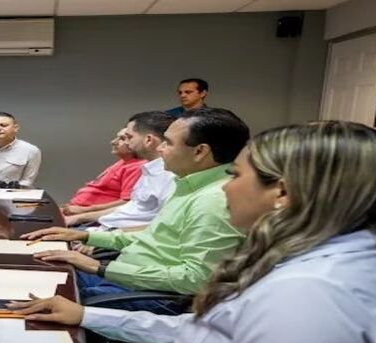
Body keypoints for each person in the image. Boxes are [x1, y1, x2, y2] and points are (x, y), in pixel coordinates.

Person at [0, 121, 376, 343]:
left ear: (282, 192)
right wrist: (87, 316)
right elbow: (207, 332)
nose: (226, 187)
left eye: (236, 175)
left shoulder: (314, 296)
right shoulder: (310, 261)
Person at [22, 108, 247, 313]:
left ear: (200, 151)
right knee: (39, 269)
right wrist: (85, 236)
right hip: (127, 278)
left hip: (151, 295)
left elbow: (196, 279)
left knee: (37, 292)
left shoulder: (213, 200)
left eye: (168, 143)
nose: (160, 148)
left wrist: (99, 267)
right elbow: (156, 237)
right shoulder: (189, 184)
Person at [64, 111, 177, 228]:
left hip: (117, 233)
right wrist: (80, 218)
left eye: (129, 137)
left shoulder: (169, 174)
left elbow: (160, 226)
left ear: (148, 140)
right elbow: (131, 208)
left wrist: (91, 234)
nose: (126, 143)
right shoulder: (150, 170)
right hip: (107, 228)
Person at [60, 127, 145, 220]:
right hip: (73, 210)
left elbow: (127, 203)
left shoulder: (137, 167)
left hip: (87, 217)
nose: (113, 142)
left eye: (122, 138)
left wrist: (84, 210)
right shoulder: (123, 162)